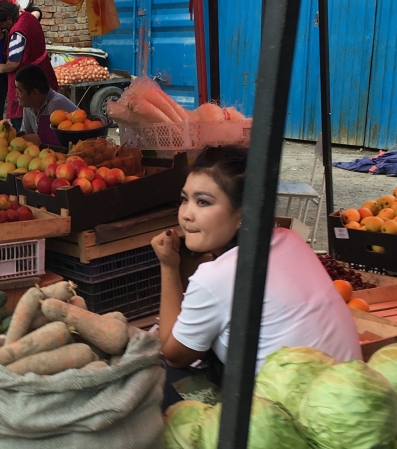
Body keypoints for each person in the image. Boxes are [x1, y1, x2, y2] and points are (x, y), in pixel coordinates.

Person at [153, 146, 360, 400]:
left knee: (160, 375)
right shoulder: (289, 240)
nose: (186, 215)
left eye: (203, 202)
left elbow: (174, 354)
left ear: (243, 214)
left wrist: (168, 266)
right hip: (348, 393)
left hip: (295, 419)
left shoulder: (219, 276)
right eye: (185, 199)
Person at [0, 0, 58, 130]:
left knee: (26, 124)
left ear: (9, 19)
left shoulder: (17, 34)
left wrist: (1, 68)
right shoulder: (28, 17)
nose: (2, 27)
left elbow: (14, 63)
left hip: (28, 81)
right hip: (42, 72)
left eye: (2, 24)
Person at [13, 64, 77, 140]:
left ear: (34, 93)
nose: (16, 94)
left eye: (20, 91)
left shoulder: (56, 106)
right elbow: (27, 136)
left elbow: (54, 144)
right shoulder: (28, 106)